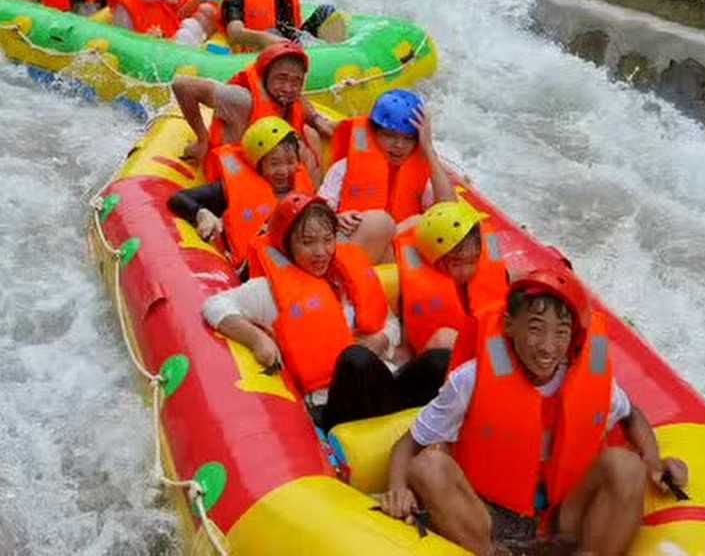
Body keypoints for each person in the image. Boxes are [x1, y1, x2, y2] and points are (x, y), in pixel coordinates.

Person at [381, 269, 690, 556]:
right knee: (428, 467)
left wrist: (653, 461)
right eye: (536, 329)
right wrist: (398, 489)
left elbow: (632, 415)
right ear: (509, 326)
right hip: (488, 518)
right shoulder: (472, 378)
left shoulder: (594, 383)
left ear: (574, 338)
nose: (547, 346)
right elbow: (409, 444)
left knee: (626, 464)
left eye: (561, 332)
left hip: (563, 518)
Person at [203, 194, 450, 430]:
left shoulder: (347, 277)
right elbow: (214, 305)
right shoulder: (268, 291)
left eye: (328, 239)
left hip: (385, 382)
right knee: (357, 360)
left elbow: (391, 325)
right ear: (286, 244)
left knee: (439, 360)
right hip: (333, 402)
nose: (321, 251)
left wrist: (382, 340)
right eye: (308, 242)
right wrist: (258, 339)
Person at [168, 117, 316, 268]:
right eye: (274, 163)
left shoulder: (303, 186)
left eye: (290, 161)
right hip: (249, 270)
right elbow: (179, 199)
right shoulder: (234, 188)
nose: (284, 171)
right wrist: (202, 214)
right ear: (258, 164)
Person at [172, 41, 335, 167]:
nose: (288, 88)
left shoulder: (291, 98)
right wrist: (202, 139)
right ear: (265, 77)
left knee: (311, 137)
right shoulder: (242, 100)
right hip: (235, 175)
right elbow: (183, 86)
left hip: (275, 176)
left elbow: (300, 101)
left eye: (296, 81)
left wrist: (315, 118)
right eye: (281, 78)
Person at [320, 89, 456, 232]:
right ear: (374, 133)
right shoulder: (343, 168)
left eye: (408, 138)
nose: (399, 145)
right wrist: (336, 218)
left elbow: (450, 213)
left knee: (417, 220)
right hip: (358, 242)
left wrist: (428, 148)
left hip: (399, 245)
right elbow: (319, 214)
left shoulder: (422, 175)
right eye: (390, 136)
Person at [393, 200, 509, 366]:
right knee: (444, 338)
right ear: (434, 258)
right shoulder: (408, 285)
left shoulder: (495, 269)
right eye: (457, 263)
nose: (466, 271)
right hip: (440, 363)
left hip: (486, 355)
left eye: (472, 261)